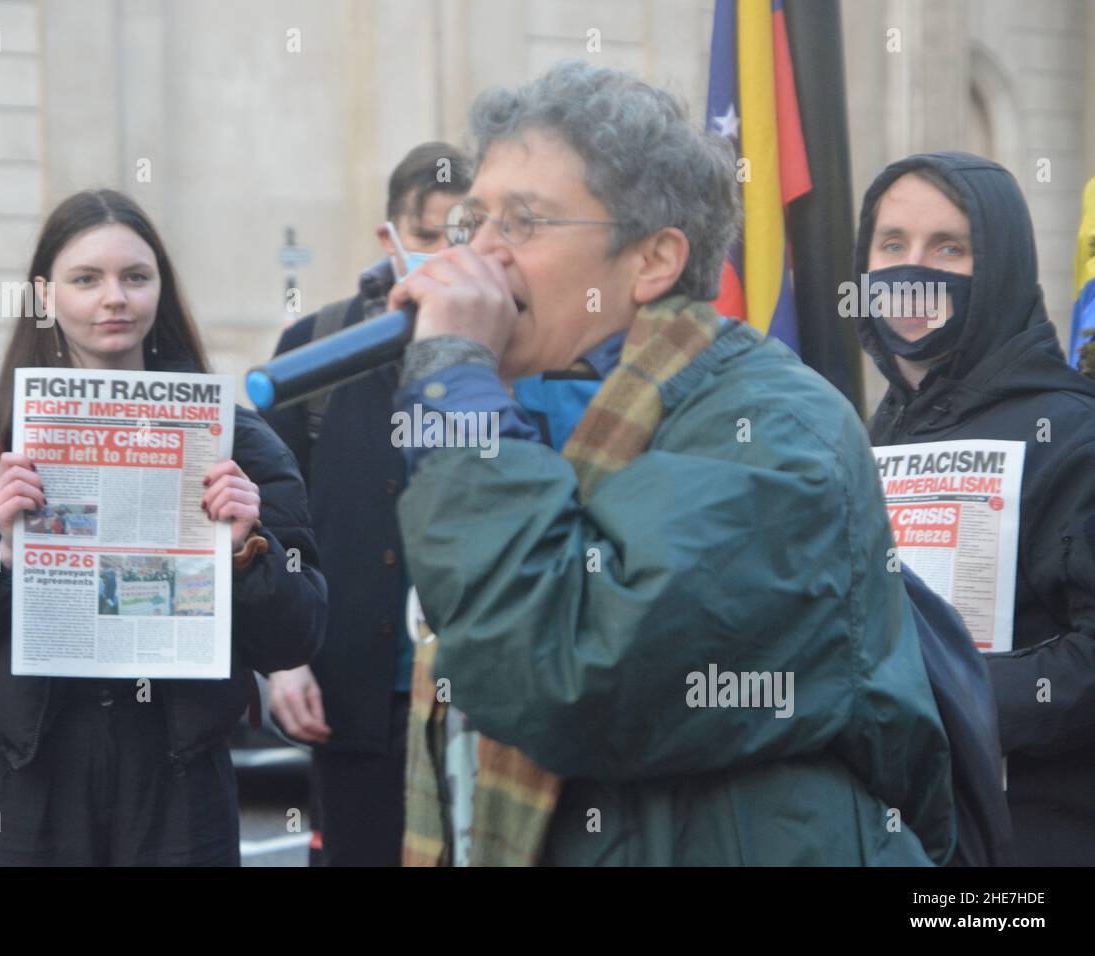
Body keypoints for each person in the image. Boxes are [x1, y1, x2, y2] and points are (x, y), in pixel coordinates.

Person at [385, 61, 955, 866]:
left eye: (521, 224)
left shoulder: (775, 427)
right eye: (472, 222)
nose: (479, 257)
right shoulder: (543, 407)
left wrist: (454, 386)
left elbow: (571, 664)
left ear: (652, 260)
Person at [0, 189, 327, 866]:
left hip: (180, 787)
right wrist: (0, 556)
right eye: (87, 279)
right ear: (46, 296)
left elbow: (300, 630)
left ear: (159, 292)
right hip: (28, 787)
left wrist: (245, 555)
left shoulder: (233, 438)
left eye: (135, 277)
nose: (115, 297)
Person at [855, 151, 1095, 866]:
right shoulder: (873, 431)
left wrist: (945, 694)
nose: (912, 270)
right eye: (892, 244)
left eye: (948, 247)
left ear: (1000, 265)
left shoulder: (1072, 431)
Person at [263, 142, 471, 866]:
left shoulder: (523, 348)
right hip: (353, 705)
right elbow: (263, 524)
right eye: (428, 236)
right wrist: (282, 662)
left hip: (485, 701)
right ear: (390, 240)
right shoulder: (314, 348)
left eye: (466, 236)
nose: (447, 256)